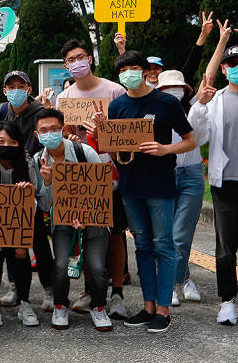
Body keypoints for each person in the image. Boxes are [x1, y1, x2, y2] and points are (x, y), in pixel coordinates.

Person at [96, 50, 196, 333]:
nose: (128, 73)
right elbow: (117, 154)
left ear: (143, 70)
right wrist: (103, 134)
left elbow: (190, 141)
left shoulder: (166, 102)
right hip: (131, 186)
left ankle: (163, 309)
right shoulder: (117, 108)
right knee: (142, 246)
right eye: (122, 70)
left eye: (133, 68)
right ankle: (148, 305)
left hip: (161, 184)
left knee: (163, 245)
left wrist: (166, 149)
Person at [54, 38, 128, 315]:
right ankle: (90, 290)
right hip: (80, 175)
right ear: (66, 66)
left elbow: (125, 133)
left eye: (81, 57)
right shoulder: (64, 98)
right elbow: (60, 136)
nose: (77, 63)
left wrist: (103, 131)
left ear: (91, 59)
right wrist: (69, 135)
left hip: (112, 171)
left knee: (115, 234)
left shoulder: (115, 90)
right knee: (85, 231)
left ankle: (118, 292)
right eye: (71, 60)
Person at [0, 70, 54, 311]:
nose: (16, 90)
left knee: (35, 245)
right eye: (11, 86)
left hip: (26, 211)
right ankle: (1, 296)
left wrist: (37, 187)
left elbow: (41, 201)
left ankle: (46, 291)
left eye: (21, 85)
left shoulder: (28, 160)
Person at [33, 107, 113, 332]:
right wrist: (47, 183)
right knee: (60, 264)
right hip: (63, 220)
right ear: (37, 136)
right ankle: (60, 305)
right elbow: (45, 206)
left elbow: (103, 187)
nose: (50, 133)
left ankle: (98, 307)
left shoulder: (83, 152)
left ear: (63, 129)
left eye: (55, 129)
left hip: (94, 218)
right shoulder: (38, 161)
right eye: (44, 130)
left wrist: (88, 213)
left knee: (97, 266)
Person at [188, 23, 238, 325]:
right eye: (231, 64)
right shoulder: (215, 100)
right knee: (225, 250)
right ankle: (228, 301)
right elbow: (197, 135)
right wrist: (200, 104)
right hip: (226, 185)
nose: (235, 68)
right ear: (223, 70)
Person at [0, 121, 43, 328]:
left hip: (20, 221)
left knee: (21, 255)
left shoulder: (27, 162)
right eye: (0, 141)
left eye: (12, 142)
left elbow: (36, 198)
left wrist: (27, 192)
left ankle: (25, 302)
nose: (6, 145)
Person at [156, 69, 204, 307]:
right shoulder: (152, 114)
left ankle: (172, 285)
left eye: (178, 87)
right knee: (165, 236)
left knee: (181, 236)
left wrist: (220, 39)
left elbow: (198, 139)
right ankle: (181, 279)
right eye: (167, 88)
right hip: (163, 175)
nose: (173, 92)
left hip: (191, 175)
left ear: (186, 90)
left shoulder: (194, 111)